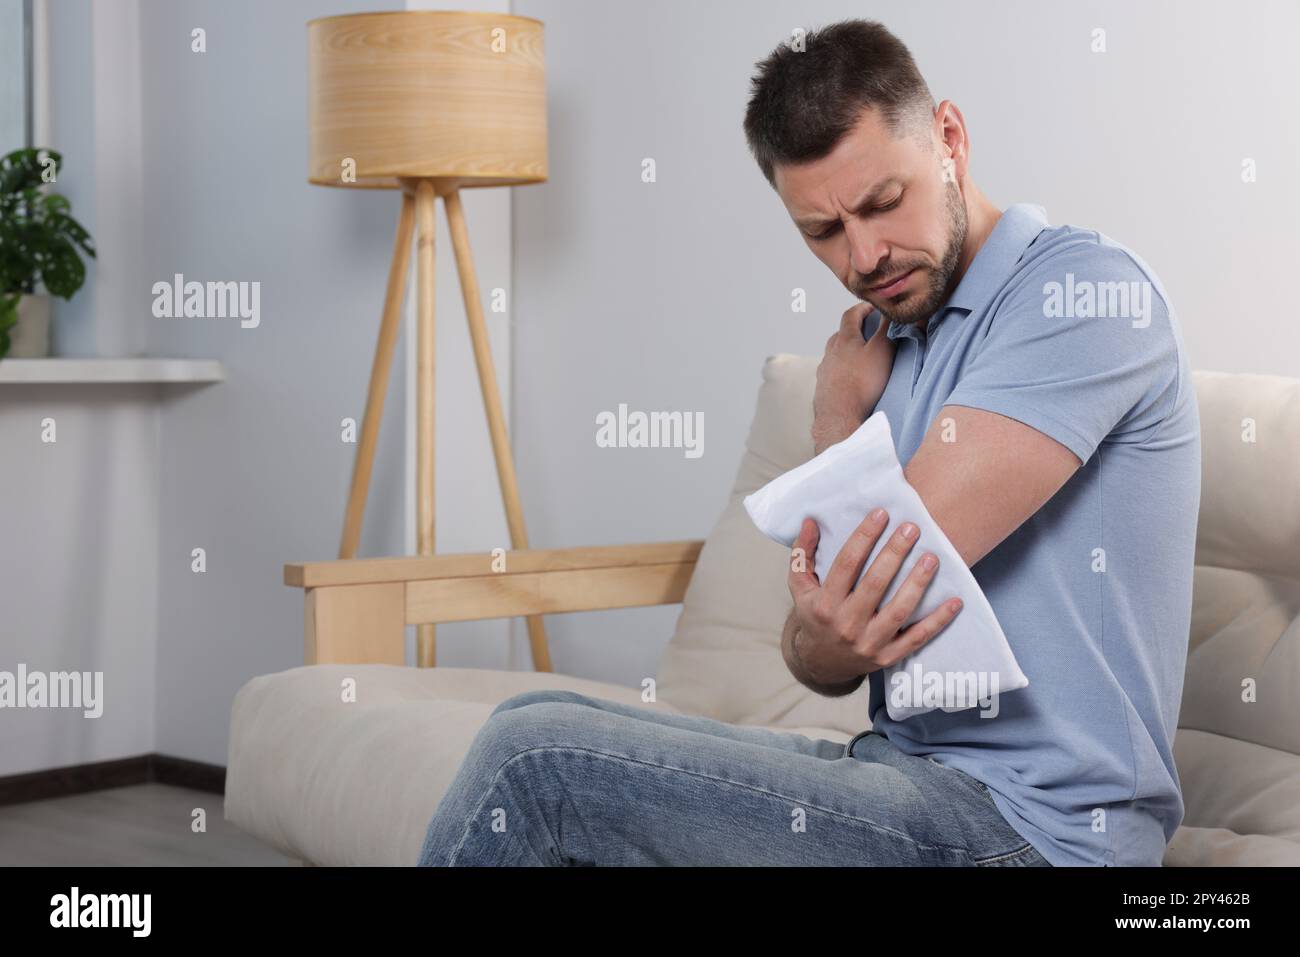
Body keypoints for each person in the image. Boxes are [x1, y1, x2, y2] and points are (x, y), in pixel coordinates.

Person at [418, 18, 1199, 868]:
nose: (864, 255)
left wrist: (834, 422)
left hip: (1036, 834)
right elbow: (820, 656)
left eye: (881, 203)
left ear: (949, 138)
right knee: (523, 720)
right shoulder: (891, 340)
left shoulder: (1080, 296)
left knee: (533, 769)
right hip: (904, 778)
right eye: (822, 232)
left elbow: (892, 573)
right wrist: (827, 628)